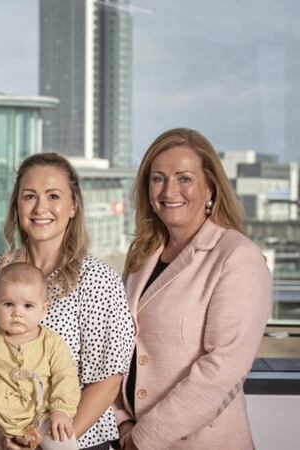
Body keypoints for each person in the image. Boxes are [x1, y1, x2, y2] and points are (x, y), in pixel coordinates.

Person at [0, 152, 135, 450]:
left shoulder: (97, 280)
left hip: (74, 439)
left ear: (73, 205)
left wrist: (44, 441)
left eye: (53, 196)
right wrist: (11, 419)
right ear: (17, 205)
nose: (40, 208)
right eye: (29, 196)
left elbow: (107, 378)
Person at [115, 128, 271, 450]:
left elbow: (222, 371)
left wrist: (143, 439)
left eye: (184, 178)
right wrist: (121, 421)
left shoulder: (237, 256)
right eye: (158, 178)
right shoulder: (142, 255)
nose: (169, 190)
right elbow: (118, 343)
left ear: (210, 186)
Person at [0, 262, 80, 450]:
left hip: (44, 415)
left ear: (43, 309)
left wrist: (61, 410)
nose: (17, 313)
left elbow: (66, 376)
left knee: (63, 443)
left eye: (28, 306)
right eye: (8, 304)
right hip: (2, 420)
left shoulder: (52, 343)